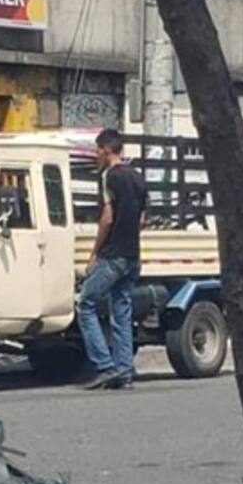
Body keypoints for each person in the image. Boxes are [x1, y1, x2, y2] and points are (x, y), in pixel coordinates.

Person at [77, 128, 147, 390]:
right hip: (133, 256)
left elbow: (107, 217)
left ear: (106, 151)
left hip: (113, 255)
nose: (96, 156)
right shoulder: (138, 178)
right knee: (122, 309)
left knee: (86, 304)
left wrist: (95, 253)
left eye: (97, 151)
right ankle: (125, 371)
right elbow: (142, 219)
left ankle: (105, 366)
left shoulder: (109, 176)